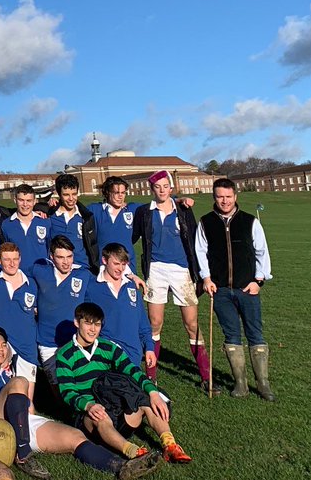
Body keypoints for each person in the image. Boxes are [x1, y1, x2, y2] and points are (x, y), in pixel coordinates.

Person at [0, 327, 162, 480]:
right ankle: (23, 455)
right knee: (20, 381)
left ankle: (121, 467)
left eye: (4, 345)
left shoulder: (9, 368)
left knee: (75, 437)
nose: (1, 349)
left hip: (22, 421)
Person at [56, 303, 192, 464]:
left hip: (114, 408)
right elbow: (67, 392)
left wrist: (153, 392)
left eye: (97, 324)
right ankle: (134, 452)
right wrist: (88, 406)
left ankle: (170, 446)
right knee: (100, 416)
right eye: (88, 323)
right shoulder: (64, 355)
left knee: (146, 399)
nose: (93, 329)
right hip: (89, 417)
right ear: (77, 323)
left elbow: (132, 371)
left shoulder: (108, 347)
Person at [131, 170, 213, 393]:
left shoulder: (183, 210)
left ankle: (206, 376)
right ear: (152, 189)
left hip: (182, 270)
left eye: (166, 186)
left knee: (192, 324)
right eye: (158, 187)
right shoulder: (144, 212)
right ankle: (150, 377)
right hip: (155, 270)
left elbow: (196, 242)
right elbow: (131, 239)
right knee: (155, 323)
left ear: (171, 187)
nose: (162, 190)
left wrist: (202, 275)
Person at [195, 178, 275, 401]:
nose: (224, 201)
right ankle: (240, 383)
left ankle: (263, 384)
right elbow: (200, 252)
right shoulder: (206, 222)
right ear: (214, 196)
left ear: (235, 197)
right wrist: (206, 278)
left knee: (255, 334)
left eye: (228, 196)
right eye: (220, 196)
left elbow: (262, 252)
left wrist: (258, 281)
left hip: (247, 289)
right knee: (231, 335)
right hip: (220, 290)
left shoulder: (250, 221)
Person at [30, 236, 93, 387]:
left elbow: (105, 281)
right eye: (60, 257)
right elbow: (17, 274)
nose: (66, 262)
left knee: (80, 384)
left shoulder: (83, 275)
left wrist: (130, 277)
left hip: (75, 341)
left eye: (69, 256)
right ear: (51, 257)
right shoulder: (39, 271)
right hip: (47, 341)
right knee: (57, 388)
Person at [85, 244, 155, 373]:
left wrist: (149, 348)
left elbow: (142, 323)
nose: (120, 269)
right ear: (104, 261)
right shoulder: (92, 288)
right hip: (105, 358)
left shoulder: (131, 287)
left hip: (133, 357)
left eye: (124, 264)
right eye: (116, 264)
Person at [0, 244, 40, 388]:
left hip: (26, 346)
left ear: (20, 259)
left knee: (26, 397)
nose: (12, 263)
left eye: (15, 259)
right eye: (7, 259)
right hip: (1, 344)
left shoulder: (32, 283)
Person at [87, 177, 141, 273]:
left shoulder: (132, 209)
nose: (120, 196)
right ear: (107, 192)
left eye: (123, 193)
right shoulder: (95, 210)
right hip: (103, 266)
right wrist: (54, 203)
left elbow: (157, 206)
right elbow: (72, 209)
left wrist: (176, 200)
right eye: (116, 193)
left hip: (127, 267)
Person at [49, 174, 99, 272]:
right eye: (66, 195)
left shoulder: (86, 216)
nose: (71, 198)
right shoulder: (50, 215)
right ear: (59, 194)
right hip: (57, 270)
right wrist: (43, 205)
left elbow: (92, 244)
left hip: (83, 268)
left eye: (74, 194)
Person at [0, 183, 53, 269]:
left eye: (29, 200)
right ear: (15, 200)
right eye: (21, 200)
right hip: (17, 276)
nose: (25, 204)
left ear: (35, 201)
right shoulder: (6, 225)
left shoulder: (45, 222)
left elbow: (50, 248)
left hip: (42, 276)